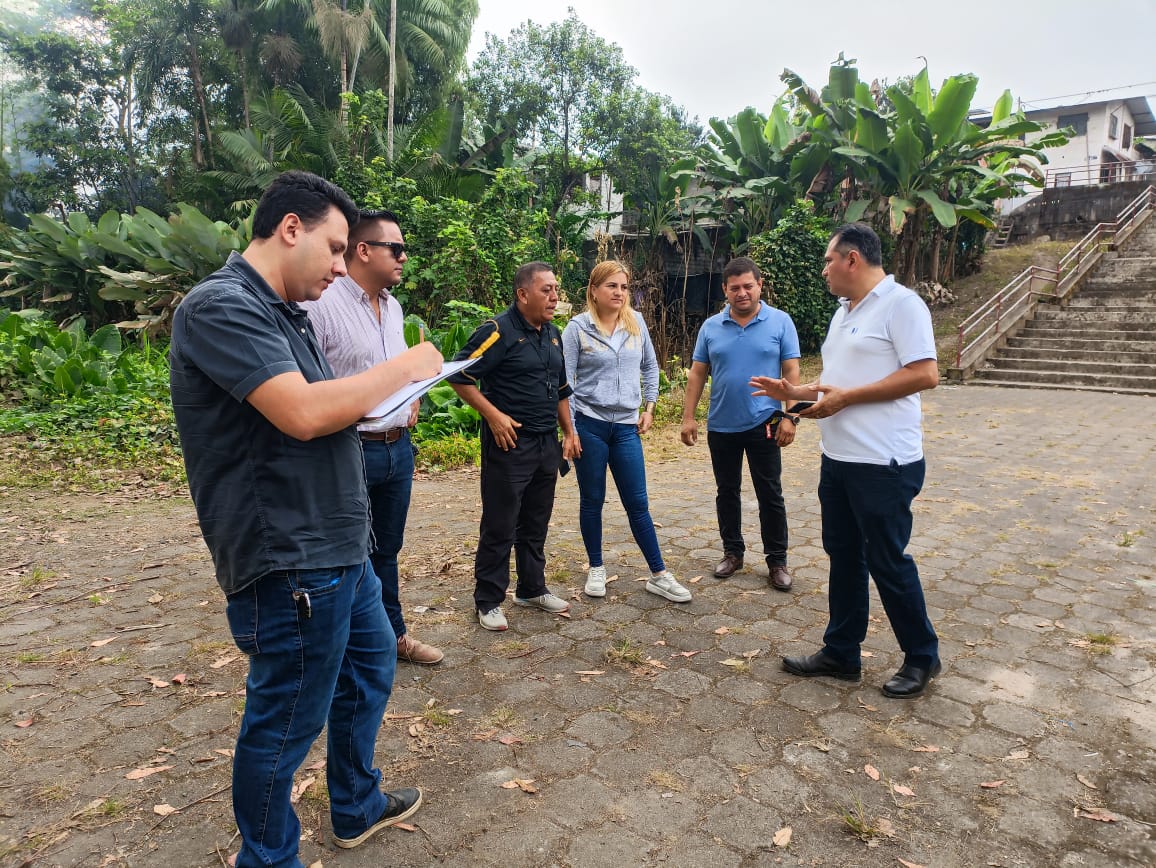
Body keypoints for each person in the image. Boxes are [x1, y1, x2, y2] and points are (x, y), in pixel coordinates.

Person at [169, 171, 443, 867]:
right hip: (291, 557)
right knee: (286, 720)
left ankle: (355, 803)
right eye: (335, 248)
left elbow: (333, 408)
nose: (340, 266)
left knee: (371, 666)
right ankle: (268, 857)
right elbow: (303, 412)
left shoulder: (286, 312)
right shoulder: (220, 307)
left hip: (341, 544)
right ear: (290, 228)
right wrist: (406, 366)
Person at [751, 222, 941, 699]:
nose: (824, 270)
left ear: (852, 259)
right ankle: (841, 652)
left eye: (829, 260)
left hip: (883, 461)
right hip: (838, 458)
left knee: (886, 559)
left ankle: (922, 656)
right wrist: (796, 391)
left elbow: (925, 374)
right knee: (844, 555)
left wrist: (848, 399)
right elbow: (838, 382)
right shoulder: (843, 312)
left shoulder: (901, 305)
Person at [301, 209, 443, 665]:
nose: (404, 258)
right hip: (349, 448)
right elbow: (311, 387)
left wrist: (411, 397)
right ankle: (343, 649)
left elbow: (391, 372)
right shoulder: (321, 304)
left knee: (386, 549)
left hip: (397, 447)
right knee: (346, 554)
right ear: (363, 250)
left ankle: (392, 636)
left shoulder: (394, 307)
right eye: (396, 249)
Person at [448, 262, 581, 631]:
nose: (554, 297)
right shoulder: (497, 331)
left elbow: (561, 389)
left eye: (556, 290)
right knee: (500, 524)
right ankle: (488, 600)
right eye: (546, 290)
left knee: (536, 520)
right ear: (523, 294)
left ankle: (532, 588)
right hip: (509, 445)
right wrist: (493, 416)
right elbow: (458, 374)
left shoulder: (553, 334)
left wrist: (569, 432)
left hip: (546, 444)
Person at [562, 261, 691, 603]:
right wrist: (570, 430)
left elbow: (649, 366)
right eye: (611, 286)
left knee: (637, 502)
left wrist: (650, 406)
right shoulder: (577, 328)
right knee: (592, 500)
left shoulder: (636, 323)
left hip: (625, 428)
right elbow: (566, 382)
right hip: (589, 425)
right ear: (594, 291)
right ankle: (596, 567)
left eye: (623, 286)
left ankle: (659, 574)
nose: (619, 292)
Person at [680, 256, 801, 591]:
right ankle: (732, 553)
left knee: (770, 493)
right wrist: (688, 417)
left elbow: (791, 371)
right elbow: (697, 374)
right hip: (721, 424)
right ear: (725, 290)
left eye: (748, 286)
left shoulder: (780, 322)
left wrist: (791, 416)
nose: (742, 293)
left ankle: (777, 561)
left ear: (759, 285)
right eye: (735, 288)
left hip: (766, 421)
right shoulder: (710, 327)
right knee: (727, 492)